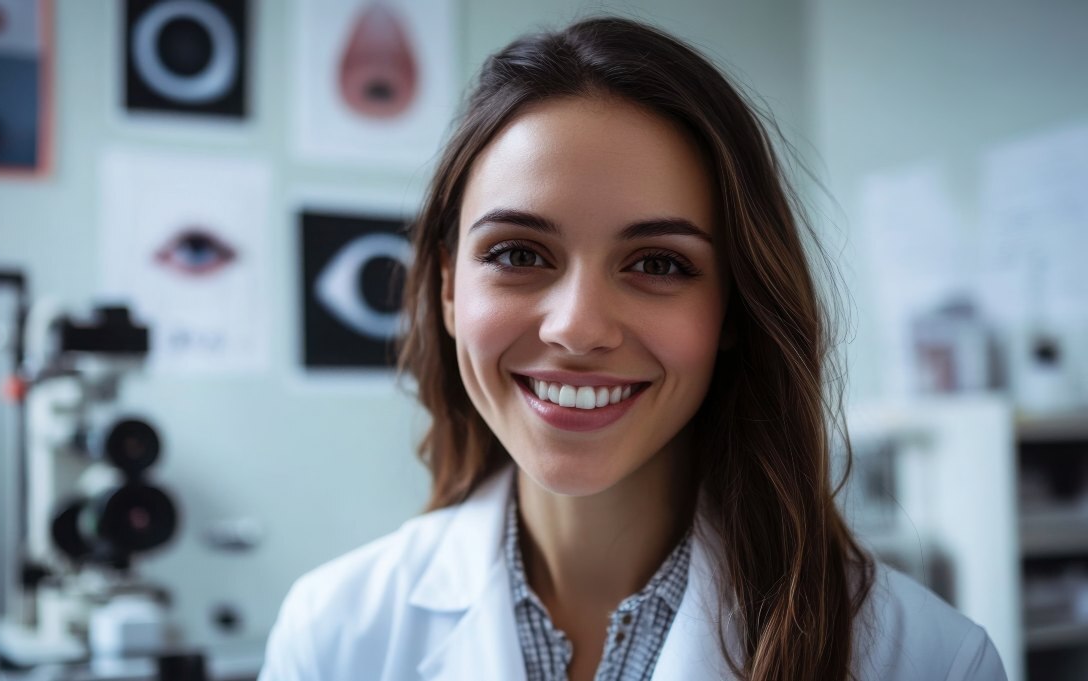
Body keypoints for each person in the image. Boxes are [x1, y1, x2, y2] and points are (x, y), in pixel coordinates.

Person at [259, 16, 1007, 681]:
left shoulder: (928, 660)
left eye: (658, 264)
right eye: (519, 254)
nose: (578, 327)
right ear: (450, 288)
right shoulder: (332, 633)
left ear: (734, 313)